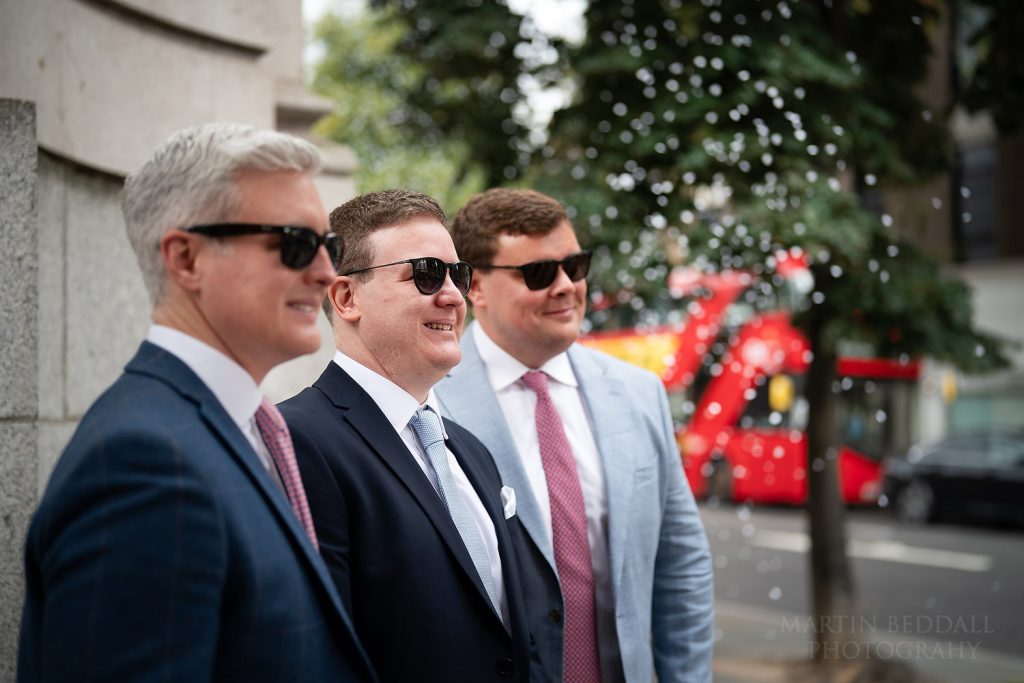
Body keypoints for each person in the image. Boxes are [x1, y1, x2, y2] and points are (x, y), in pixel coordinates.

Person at [18, 123, 376, 683]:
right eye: (295, 243)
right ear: (186, 259)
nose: (327, 271)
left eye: (328, 246)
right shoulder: (145, 464)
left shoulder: (235, 428)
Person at [436, 188, 715, 683]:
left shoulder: (638, 393)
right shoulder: (431, 401)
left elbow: (681, 564)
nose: (566, 285)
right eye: (540, 273)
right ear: (473, 286)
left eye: (576, 266)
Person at [277, 189, 542, 683]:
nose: (452, 294)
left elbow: (513, 636)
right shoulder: (294, 441)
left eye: (457, 275)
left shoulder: (470, 451)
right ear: (346, 297)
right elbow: (315, 653)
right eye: (424, 273)